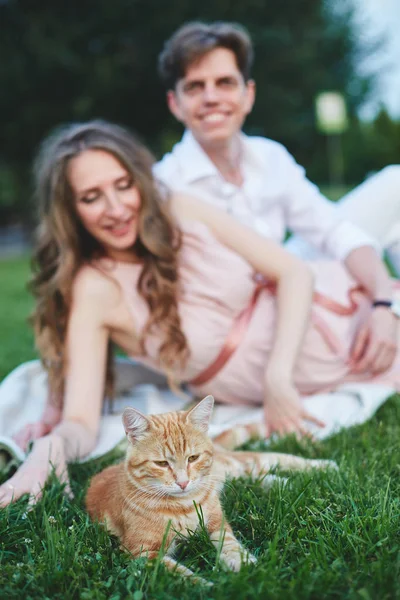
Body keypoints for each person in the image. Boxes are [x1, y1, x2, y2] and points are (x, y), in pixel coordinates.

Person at [1, 120, 400, 507]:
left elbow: (293, 270)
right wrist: (48, 449)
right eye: (92, 197)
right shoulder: (95, 288)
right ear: (69, 211)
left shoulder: (180, 208)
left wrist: (278, 378)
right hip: (316, 363)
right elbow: (82, 422)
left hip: (317, 312)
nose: (117, 208)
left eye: (124, 186)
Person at [154, 21, 400, 375]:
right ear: (175, 104)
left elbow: (333, 231)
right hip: (247, 317)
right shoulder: (165, 185)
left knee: (394, 183)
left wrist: (382, 303)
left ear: (248, 95)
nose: (211, 98)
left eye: (225, 83)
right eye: (195, 87)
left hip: (294, 273)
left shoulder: (270, 157)